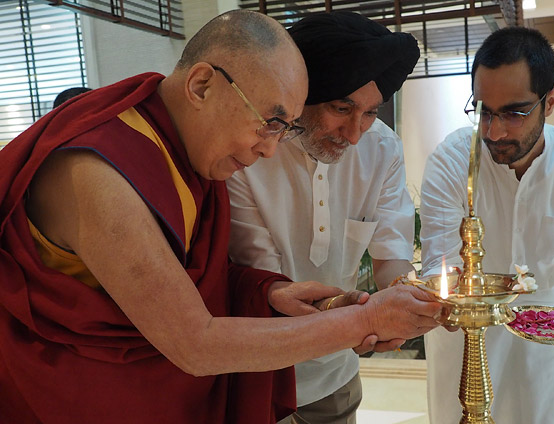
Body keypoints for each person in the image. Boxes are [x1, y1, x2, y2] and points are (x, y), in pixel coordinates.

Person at [0, 10, 445, 424]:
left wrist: (268, 292)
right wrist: (366, 321)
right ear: (201, 86)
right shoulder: (96, 174)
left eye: (284, 128)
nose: (271, 148)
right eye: (270, 121)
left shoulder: (188, 152)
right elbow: (194, 343)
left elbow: (199, 278)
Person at [419, 27, 554, 424]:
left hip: (547, 322)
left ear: (550, 100)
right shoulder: (452, 162)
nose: (494, 131)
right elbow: (438, 260)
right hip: (464, 333)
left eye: (515, 113)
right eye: (484, 110)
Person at [227, 11, 420, 424]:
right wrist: (364, 317)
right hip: (260, 377)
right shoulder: (249, 152)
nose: (354, 133)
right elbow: (268, 285)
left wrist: (407, 303)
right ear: (299, 93)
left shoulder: (382, 149)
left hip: (337, 378)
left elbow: (391, 254)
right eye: (341, 108)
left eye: (370, 113)